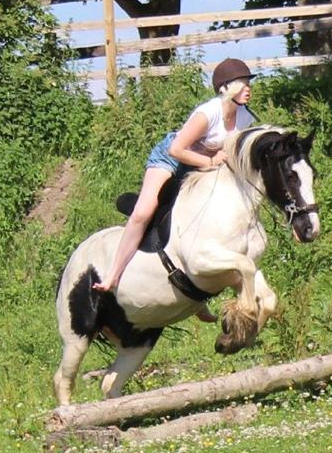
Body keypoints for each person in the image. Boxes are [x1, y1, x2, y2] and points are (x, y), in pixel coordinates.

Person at [92, 58, 257, 301]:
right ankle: (113, 274)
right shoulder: (207, 113)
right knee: (143, 212)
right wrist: (211, 162)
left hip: (201, 163)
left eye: (248, 83)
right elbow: (177, 149)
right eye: (241, 84)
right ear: (225, 88)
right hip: (171, 159)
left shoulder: (245, 118)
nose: (248, 88)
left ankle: (197, 300)